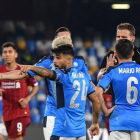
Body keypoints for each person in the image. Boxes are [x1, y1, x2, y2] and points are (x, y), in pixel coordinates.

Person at [0, 34, 94, 140]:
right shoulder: (48, 62)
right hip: (53, 111)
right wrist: (1, 75)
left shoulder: (80, 62)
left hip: (73, 115)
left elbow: (90, 85)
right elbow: (23, 74)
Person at [17, 43, 101, 139]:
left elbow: (46, 73)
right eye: (54, 58)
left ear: (69, 59)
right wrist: (95, 123)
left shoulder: (64, 76)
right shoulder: (84, 77)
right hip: (81, 132)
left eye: (58, 58)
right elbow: (96, 101)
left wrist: (31, 67)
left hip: (64, 131)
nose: (54, 61)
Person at [98, 23, 140, 133]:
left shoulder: (139, 54)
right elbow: (99, 78)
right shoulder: (111, 55)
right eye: (118, 37)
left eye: (124, 37)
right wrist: (107, 69)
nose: (120, 40)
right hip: (119, 108)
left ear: (132, 38)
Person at [0, 42, 39, 140]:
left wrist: (27, 99)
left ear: (16, 54)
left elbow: (36, 86)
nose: (7, 54)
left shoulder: (24, 69)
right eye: (5, 52)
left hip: (21, 112)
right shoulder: (0, 70)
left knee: (15, 138)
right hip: (6, 113)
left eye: (10, 52)